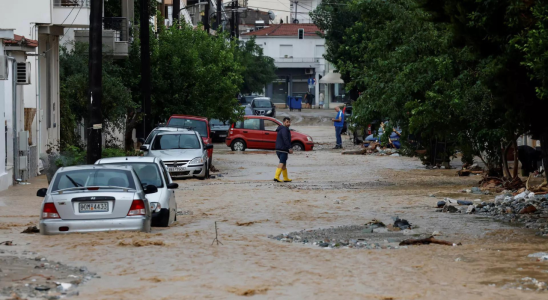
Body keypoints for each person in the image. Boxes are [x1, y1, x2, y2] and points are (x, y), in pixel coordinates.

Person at [274, 117, 294, 182]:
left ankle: (285, 178)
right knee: (282, 163)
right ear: (284, 122)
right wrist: (289, 148)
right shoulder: (284, 129)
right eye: (287, 122)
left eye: (289, 122)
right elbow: (285, 139)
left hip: (279, 149)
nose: (289, 123)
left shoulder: (281, 129)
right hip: (282, 149)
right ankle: (276, 177)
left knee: (284, 163)